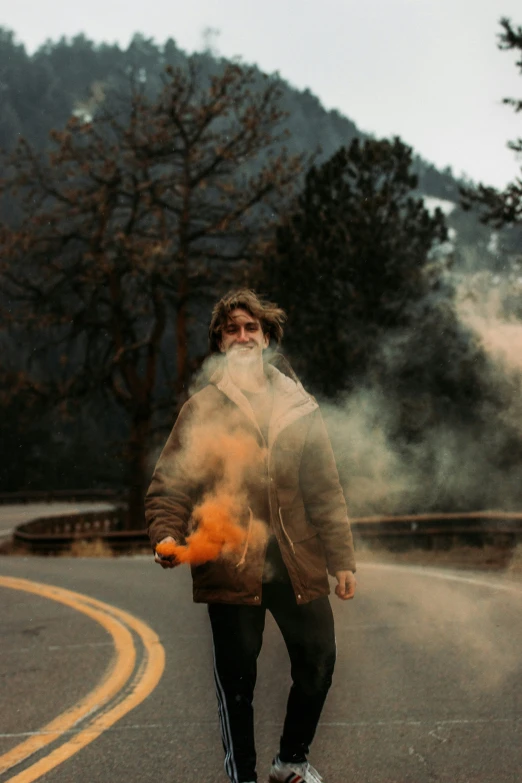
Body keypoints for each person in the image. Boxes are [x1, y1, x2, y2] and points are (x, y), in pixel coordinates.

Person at [145, 289, 356, 783]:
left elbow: (324, 489)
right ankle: (243, 777)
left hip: (295, 560)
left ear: (267, 337)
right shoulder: (202, 407)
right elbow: (169, 487)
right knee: (237, 685)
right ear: (220, 342)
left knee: (319, 660)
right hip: (230, 562)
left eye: (250, 328)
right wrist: (168, 535)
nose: (242, 336)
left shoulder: (299, 405)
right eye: (231, 329)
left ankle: (291, 762)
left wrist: (341, 558)